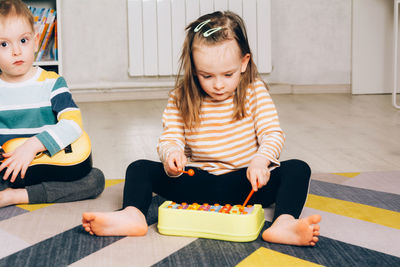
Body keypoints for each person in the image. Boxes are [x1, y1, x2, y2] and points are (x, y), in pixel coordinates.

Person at [82, 11, 321, 246]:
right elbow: (170, 138)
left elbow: (272, 134)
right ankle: (133, 215)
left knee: (298, 169)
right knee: (139, 168)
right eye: (206, 76)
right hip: (198, 183)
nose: (218, 85)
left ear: (244, 62)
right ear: (194, 69)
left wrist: (261, 160)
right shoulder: (180, 97)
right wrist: (172, 155)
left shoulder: (254, 91)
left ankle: (284, 223)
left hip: (246, 183)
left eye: (228, 74)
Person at [0, 0, 104, 207]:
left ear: (36, 41)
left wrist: (32, 146)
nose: (16, 51)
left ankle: (17, 196)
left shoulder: (52, 83)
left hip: (48, 168)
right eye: (4, 44)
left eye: (23, 40)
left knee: (95, 179)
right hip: (9, 171)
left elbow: (73, 125)